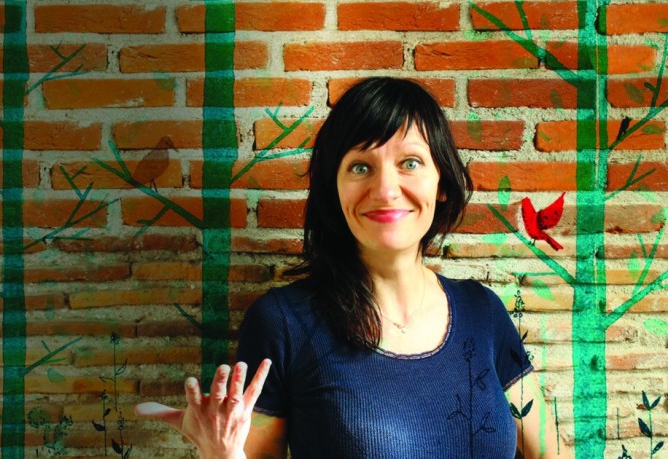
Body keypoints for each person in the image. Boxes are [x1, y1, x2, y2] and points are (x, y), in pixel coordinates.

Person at [136, 77, 567, 458]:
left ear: (441, 182)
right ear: (335, 189)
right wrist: (221, 456)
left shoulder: (483, 312)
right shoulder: (283, 323)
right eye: (361, 167)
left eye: (410, 163)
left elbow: (551, 454)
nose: (386, 189)